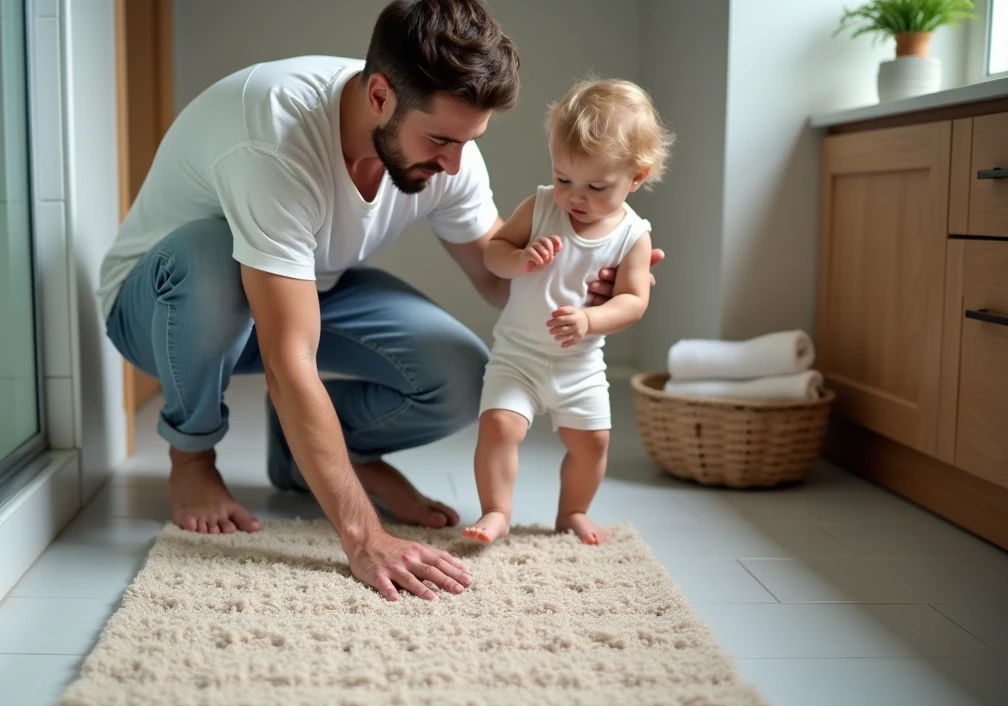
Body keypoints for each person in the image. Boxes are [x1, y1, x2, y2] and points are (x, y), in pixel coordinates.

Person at [97, 0, 664, 602]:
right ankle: (191, 458)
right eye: (442, 140)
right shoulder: (275, 136)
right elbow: (290, 360)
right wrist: (362, 533)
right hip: (164, 306)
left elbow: (500, 278)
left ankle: (300, 456)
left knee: (463, 376)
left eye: (467, 143)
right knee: (216, 260)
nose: (453, 163)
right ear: (378, 97)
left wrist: (586, 271)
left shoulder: (452, 148)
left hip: (311, 287)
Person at [462, 78, 672, 547]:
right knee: (499, 426)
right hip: (519, 355)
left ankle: (573, 511)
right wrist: (518, 260)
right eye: (564, 179)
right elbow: (494, 250)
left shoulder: (634, 235)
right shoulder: (540, 207)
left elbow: (634, 300)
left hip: (579, 364)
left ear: (636, 178)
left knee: (592, 442)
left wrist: (591, 320)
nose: (575, 196)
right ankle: (496, 510)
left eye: (596, 186)